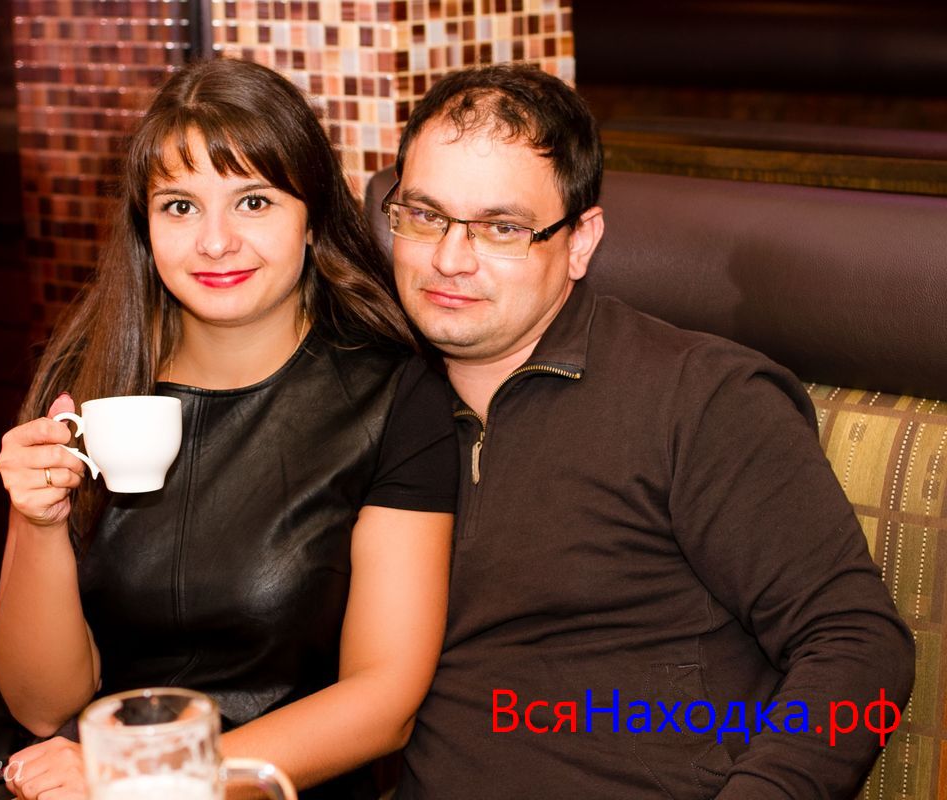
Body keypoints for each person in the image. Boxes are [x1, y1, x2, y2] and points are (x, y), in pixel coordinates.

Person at [384, 63, 915, 799]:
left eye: (502, 228)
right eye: (425, 215)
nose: (449, 258)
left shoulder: (701, 398)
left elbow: (860, 650)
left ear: (580, 241)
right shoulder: (372, 397)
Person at [0, 58, 456, 800]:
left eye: (254, 202)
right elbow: (40, 706)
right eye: (180, 206)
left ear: (312, 219)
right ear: (145, 226)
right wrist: (36, 521)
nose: (214, 242)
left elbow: (384, 700)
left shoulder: (395, 397)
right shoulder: (89, 380)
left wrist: (148, 777)